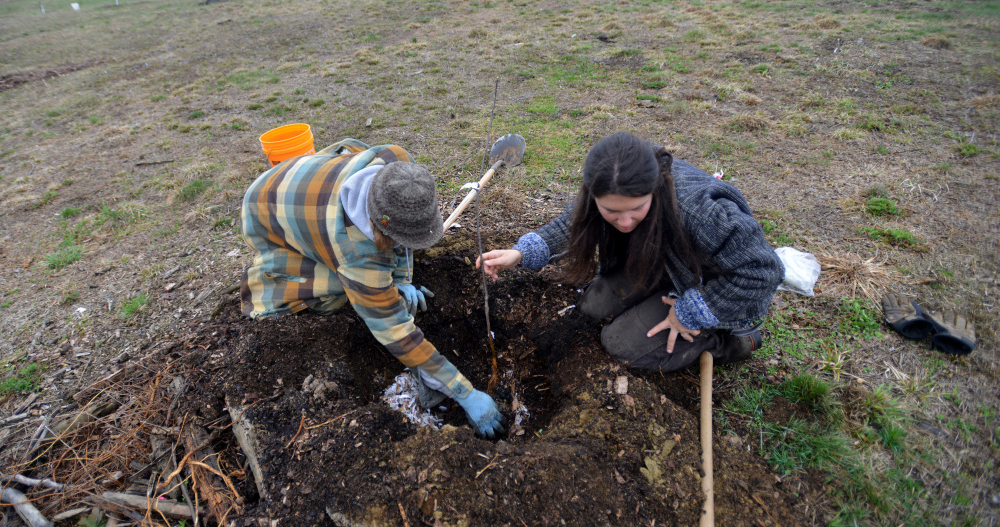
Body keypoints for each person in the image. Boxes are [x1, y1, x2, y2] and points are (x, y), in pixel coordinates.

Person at [240, 138, 504, 437]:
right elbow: (395, 332)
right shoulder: (356, 255)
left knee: (373, 278)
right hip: (265, 212)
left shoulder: (398, 164)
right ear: (379, 227)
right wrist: (464, 392)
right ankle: (275, 284)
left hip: (300, 179)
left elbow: (398, 236)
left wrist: (401, 279)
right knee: (337, 291)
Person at [478, 132, 784, 373]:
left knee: (620, 344)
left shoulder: (699, 211)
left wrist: (690, 311)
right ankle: (663, 295)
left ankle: (736, 343)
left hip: (717, 290)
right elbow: (573, 223)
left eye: (637, 208)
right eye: (611, 211)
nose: (624, 222)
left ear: (655, 187)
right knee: (593, 306)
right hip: (667, 266)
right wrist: (519, 253)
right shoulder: (611, 180)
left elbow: (763, 270)